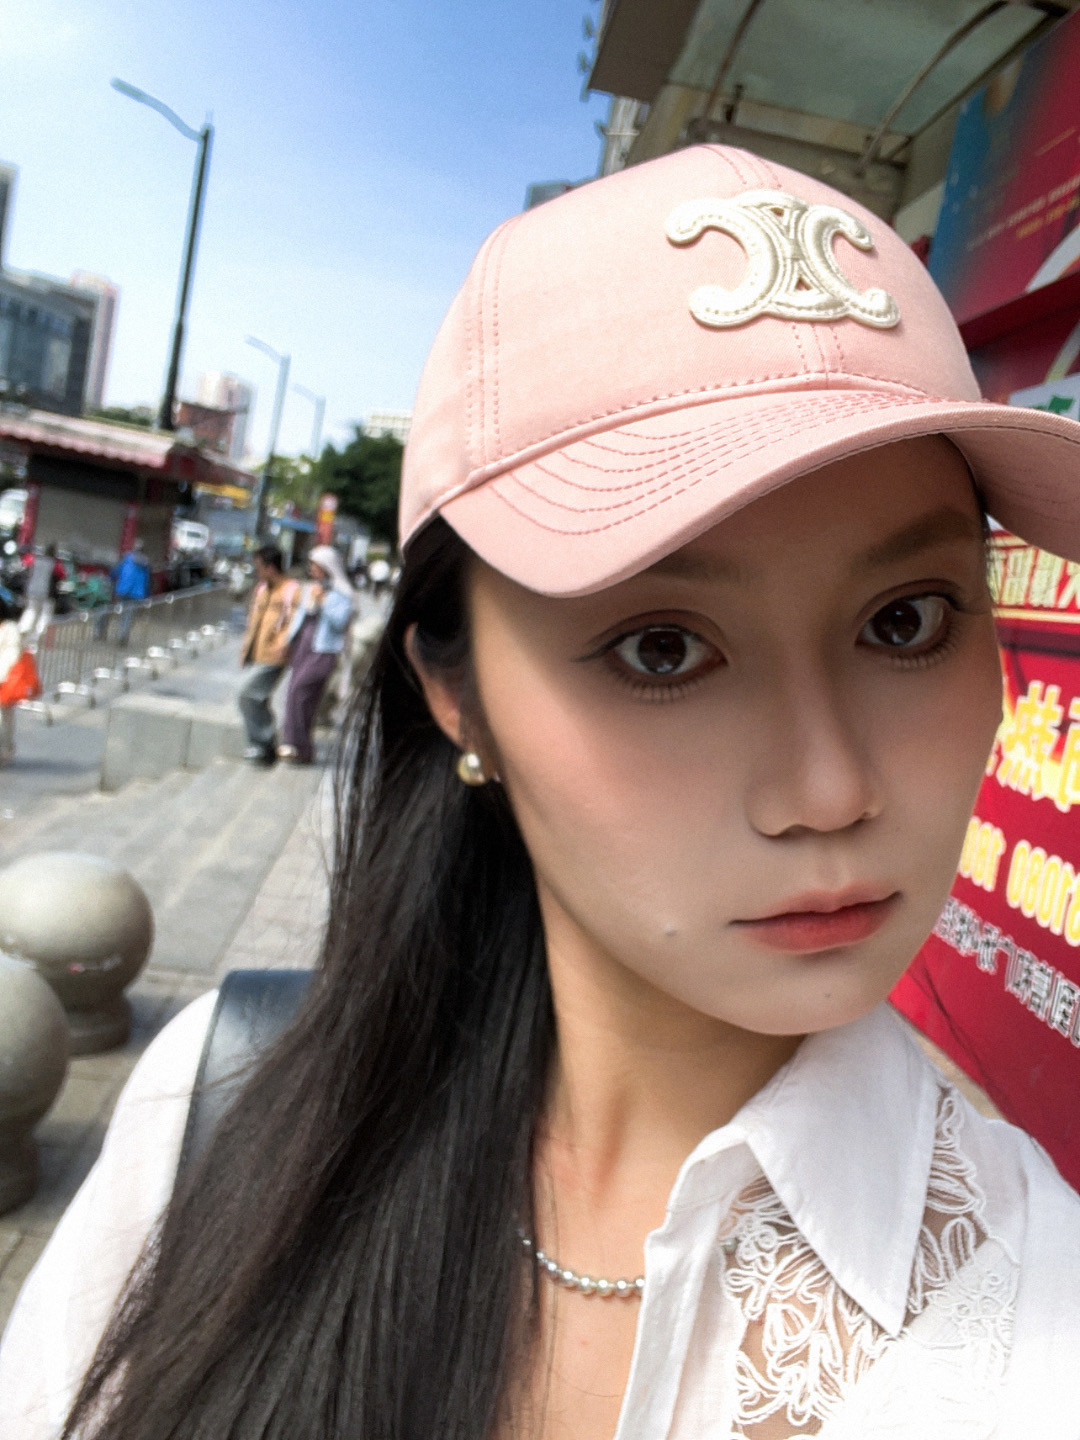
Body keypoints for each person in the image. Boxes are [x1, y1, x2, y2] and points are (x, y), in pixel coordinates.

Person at [6, 145, 1080, 1439]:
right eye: (663, 649)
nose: (830, 789)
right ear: (454, 693)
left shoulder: (1038, 1325)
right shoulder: (215, 1114)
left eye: (905, 620)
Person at [278, 544, 356, 763]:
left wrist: (323, 601)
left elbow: (340, 622)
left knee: (300, 690)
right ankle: (295, 744)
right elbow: (300, 617)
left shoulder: (342, 593)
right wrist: (288, 639)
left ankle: (297, 744)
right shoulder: (310, 588)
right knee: (295, 693)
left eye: (316, 565)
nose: (312, 569)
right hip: (304, 646)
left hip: (324, 650)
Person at [237, 543, 298, 764]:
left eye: (259, 567)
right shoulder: (262, 589)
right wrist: (245, 650)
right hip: (257, 653)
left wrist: (281, 644)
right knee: (257, 698)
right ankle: (265, 745)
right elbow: (253, 621)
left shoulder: (291, 589)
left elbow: (293, 622)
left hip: (274, 656)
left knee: (247, 695)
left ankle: (262, 742)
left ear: (270, 567)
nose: (257, 572)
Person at [111, 539, 152, 646]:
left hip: (123, 590)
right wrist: (147, 594)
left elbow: (116, 571)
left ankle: (120, 634)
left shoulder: (127, 558)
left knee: (122, 613)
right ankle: (123, 635)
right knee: (129, 614)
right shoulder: (146, 563)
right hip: (137, 593)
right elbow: (147, 580)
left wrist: (112, 579)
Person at [17, 542, 59, 641]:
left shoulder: (34, 560)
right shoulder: (55, 564)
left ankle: (23, 628)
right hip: (47, 593)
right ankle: (39, 634)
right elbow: (62, 575)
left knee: (30, 610)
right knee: (45, 613)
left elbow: (24, 567)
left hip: (31, 589)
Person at [0, 593, 22, 765]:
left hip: (5, 680)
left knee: (4, 717)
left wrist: (3, 676)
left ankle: (6, 748)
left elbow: (12, 655)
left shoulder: (10, 629)